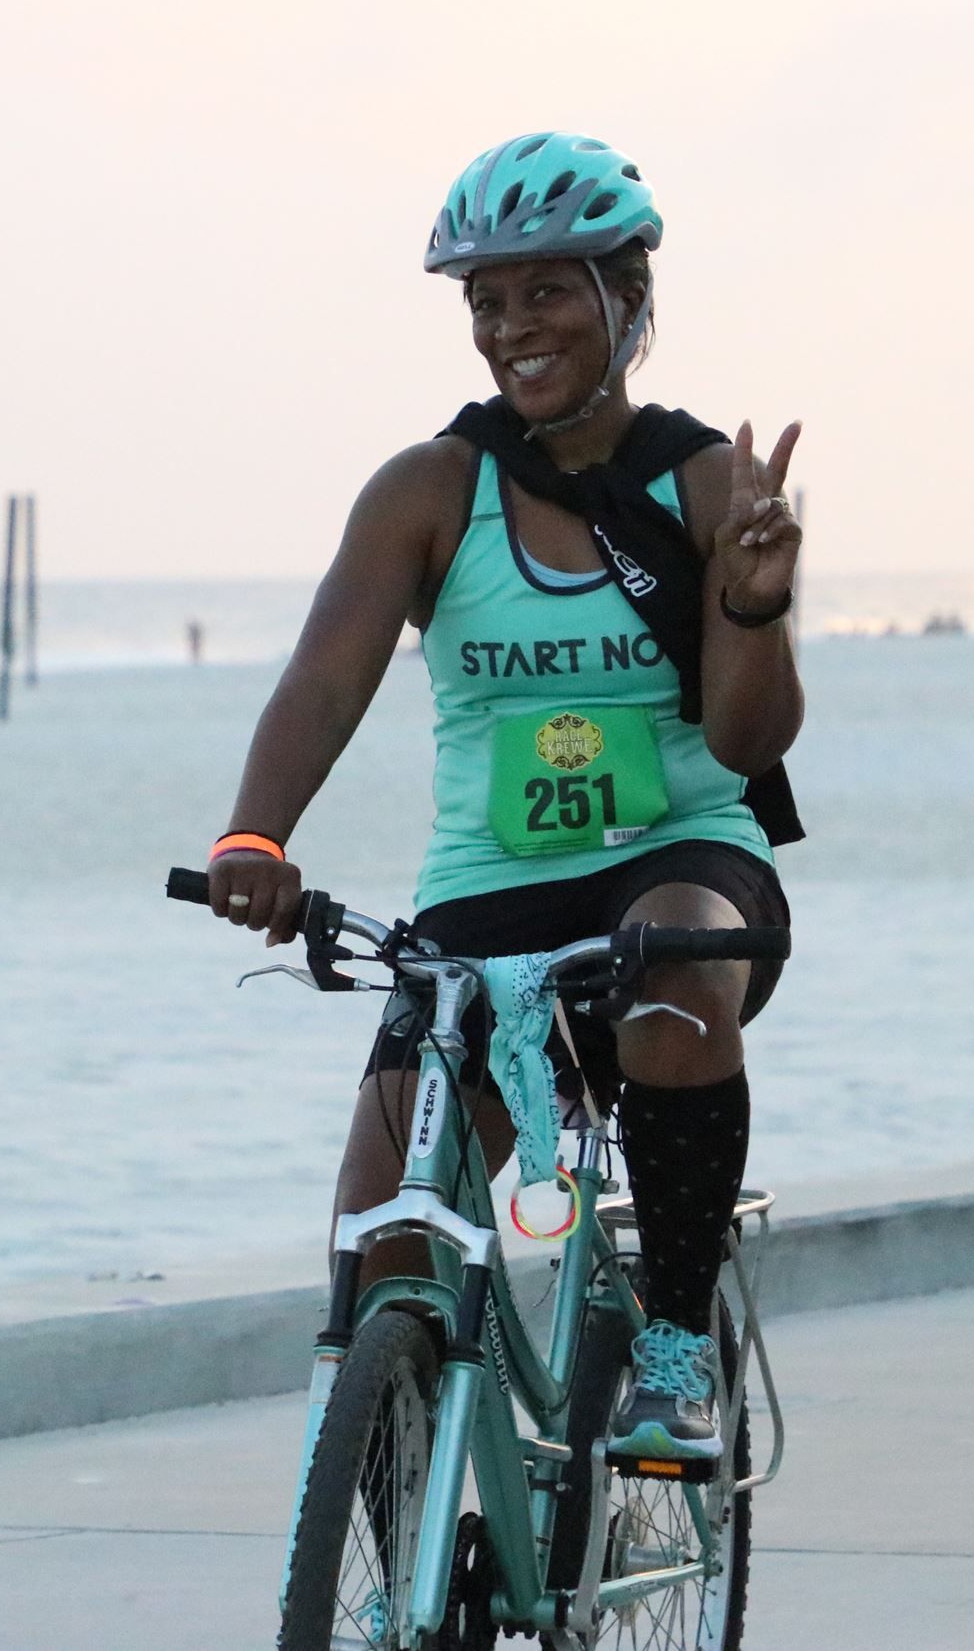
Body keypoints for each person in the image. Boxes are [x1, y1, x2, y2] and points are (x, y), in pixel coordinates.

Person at [202, 133, 806, 1464]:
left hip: (683, 857)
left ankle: (667, 1348)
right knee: (385, 1235)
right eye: (487, 300)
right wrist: (257, 831)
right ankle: (393, 1565)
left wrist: (754, 606)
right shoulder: (430, 490)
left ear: (624, 299)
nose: (511, 326)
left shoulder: (704, 483)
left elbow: (751, 732)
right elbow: (323, 678)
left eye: (546, 292)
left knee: (671, 989)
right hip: (489, 888)